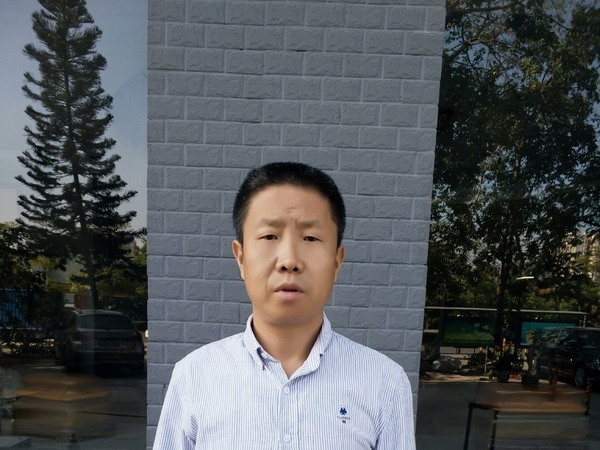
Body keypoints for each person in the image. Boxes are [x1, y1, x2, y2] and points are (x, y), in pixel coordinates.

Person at [153, 162, 416, 450]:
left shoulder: (384, 382)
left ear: (336, 261)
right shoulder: (193, 376)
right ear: (241, 257)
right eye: (269, 236)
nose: (289, 260)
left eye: (311, 238)